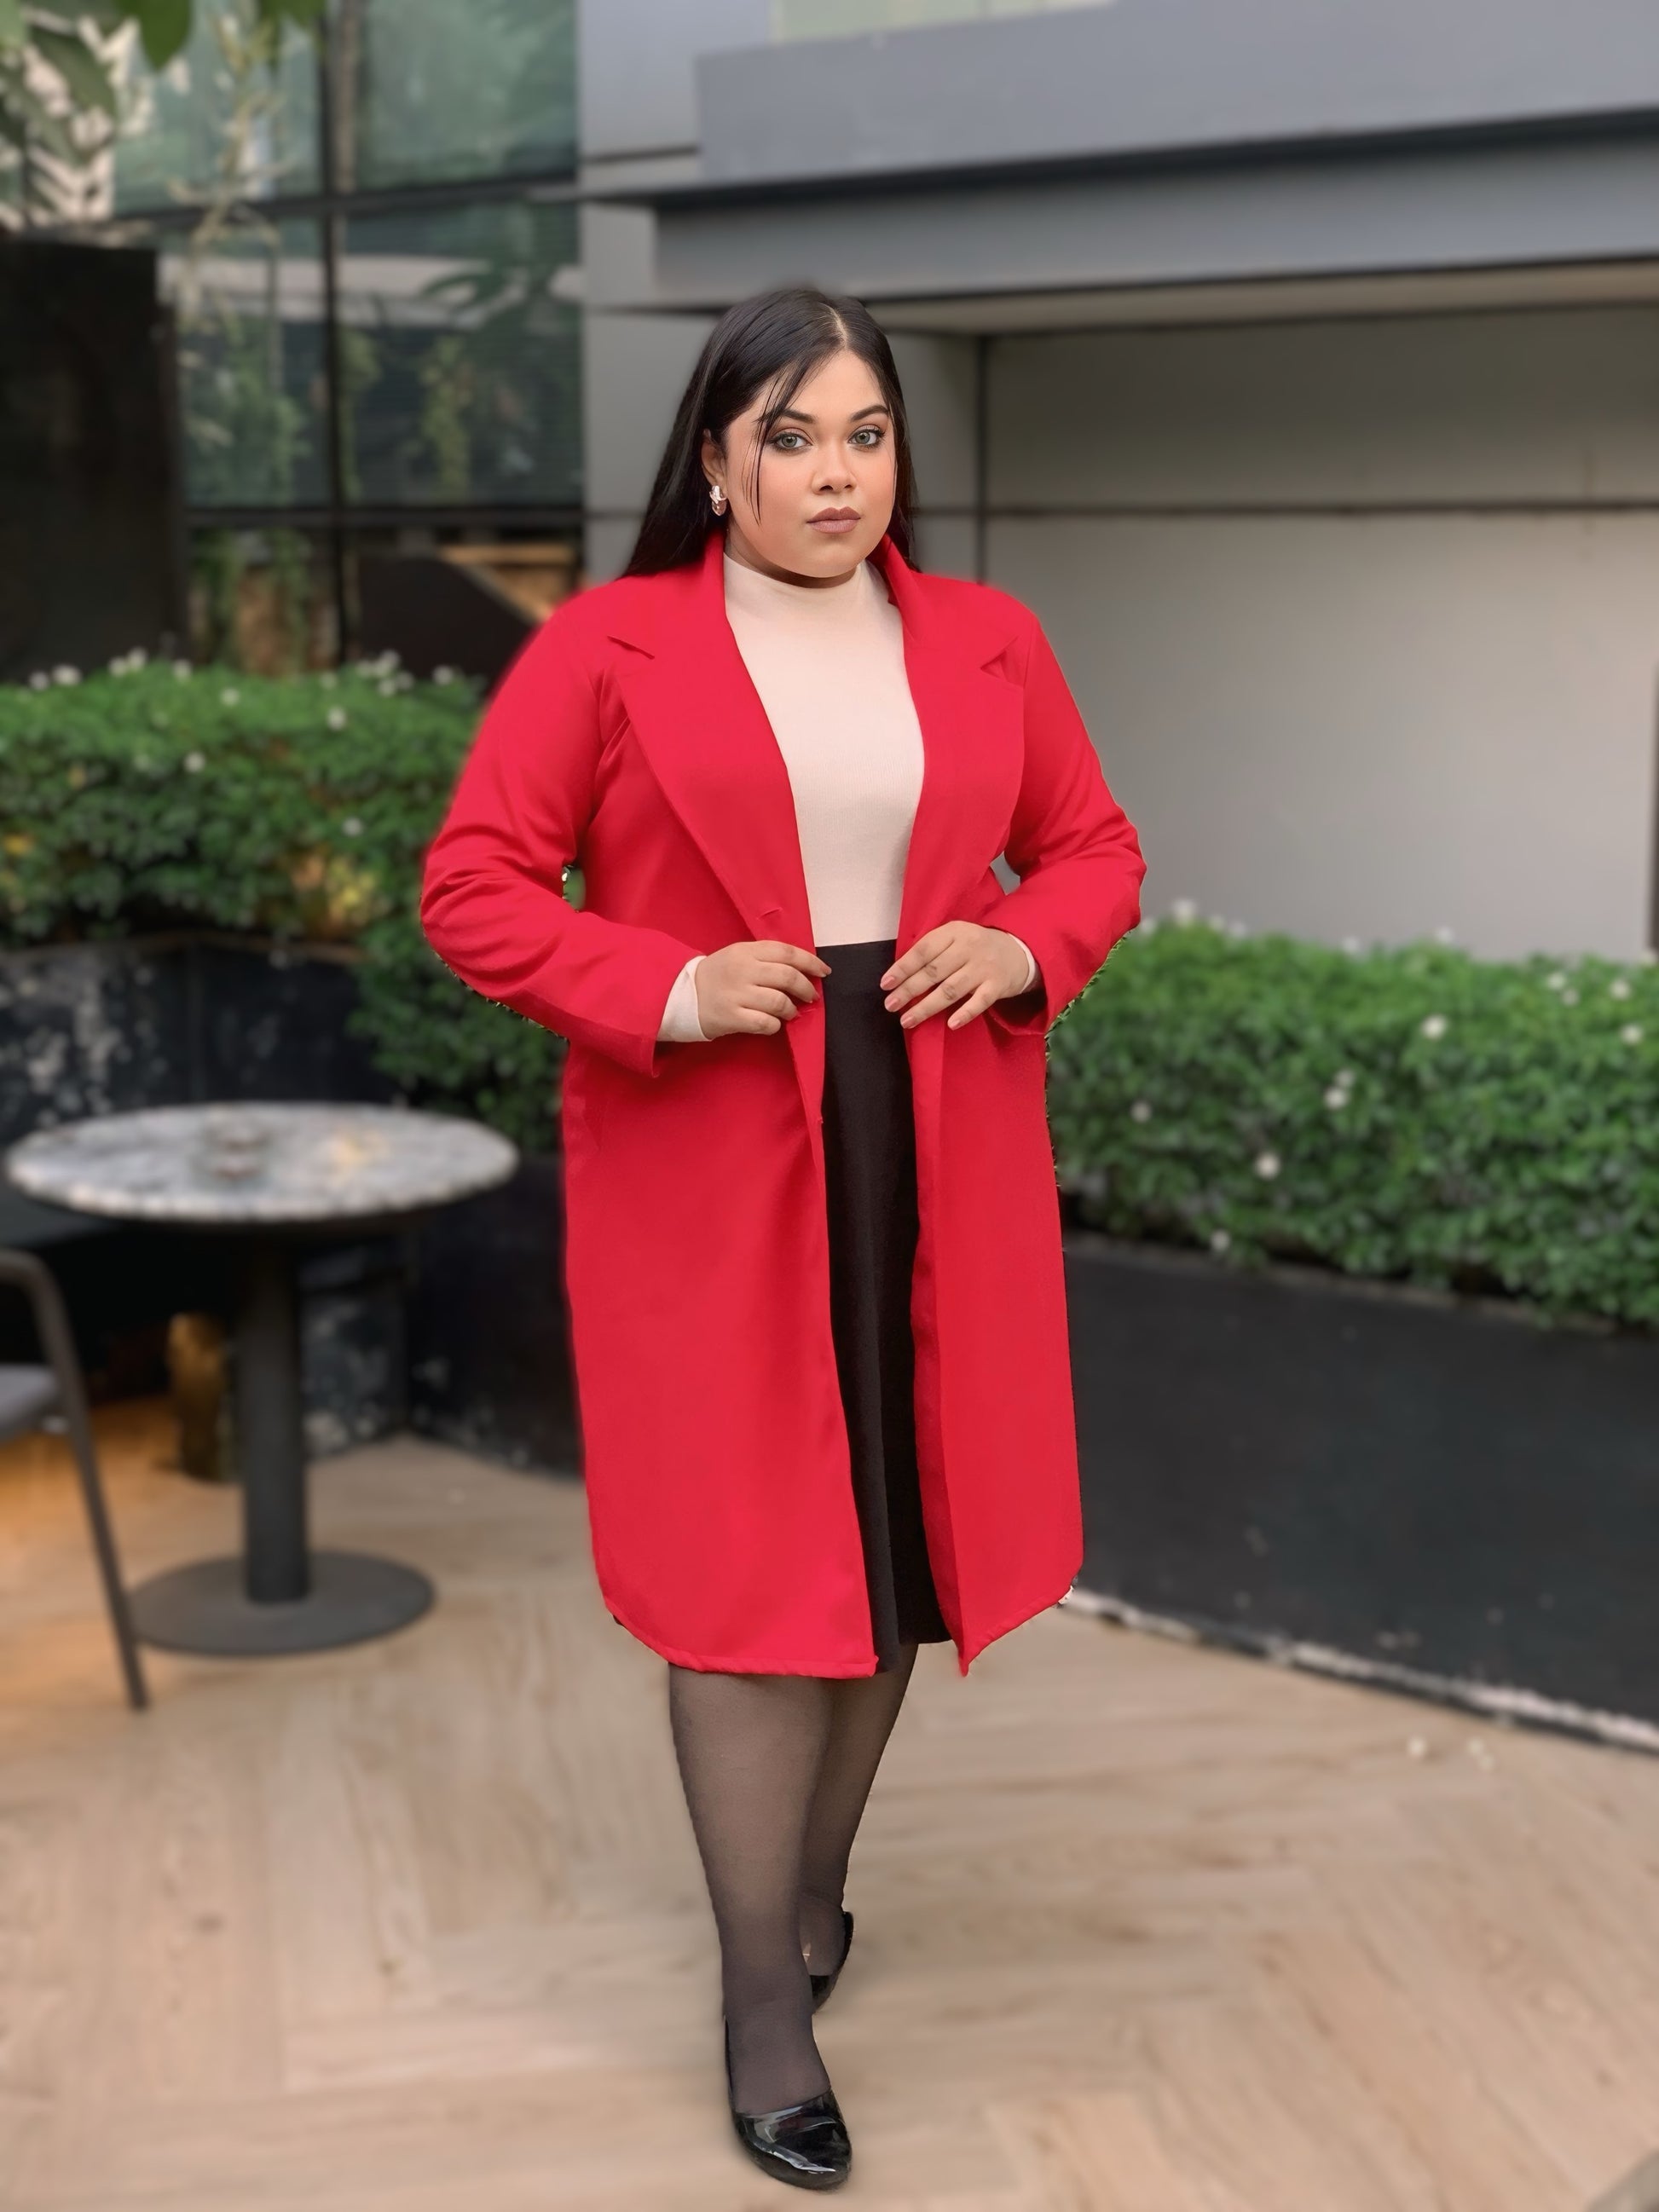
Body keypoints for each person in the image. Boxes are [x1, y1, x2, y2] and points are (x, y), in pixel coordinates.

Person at [419, 283, 1146, 2192]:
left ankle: (813, 1892)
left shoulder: (986, 640)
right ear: (717, 461)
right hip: (713, 1140)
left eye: (867, 432)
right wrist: (658, 984)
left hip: (931, 1127)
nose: (836, 472)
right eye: (793, 435)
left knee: (894, 1535)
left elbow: (1094, 849)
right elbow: (474, 885)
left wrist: (1024, 938)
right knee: (746, 1573)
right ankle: (762, 1993)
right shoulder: (607, 645)